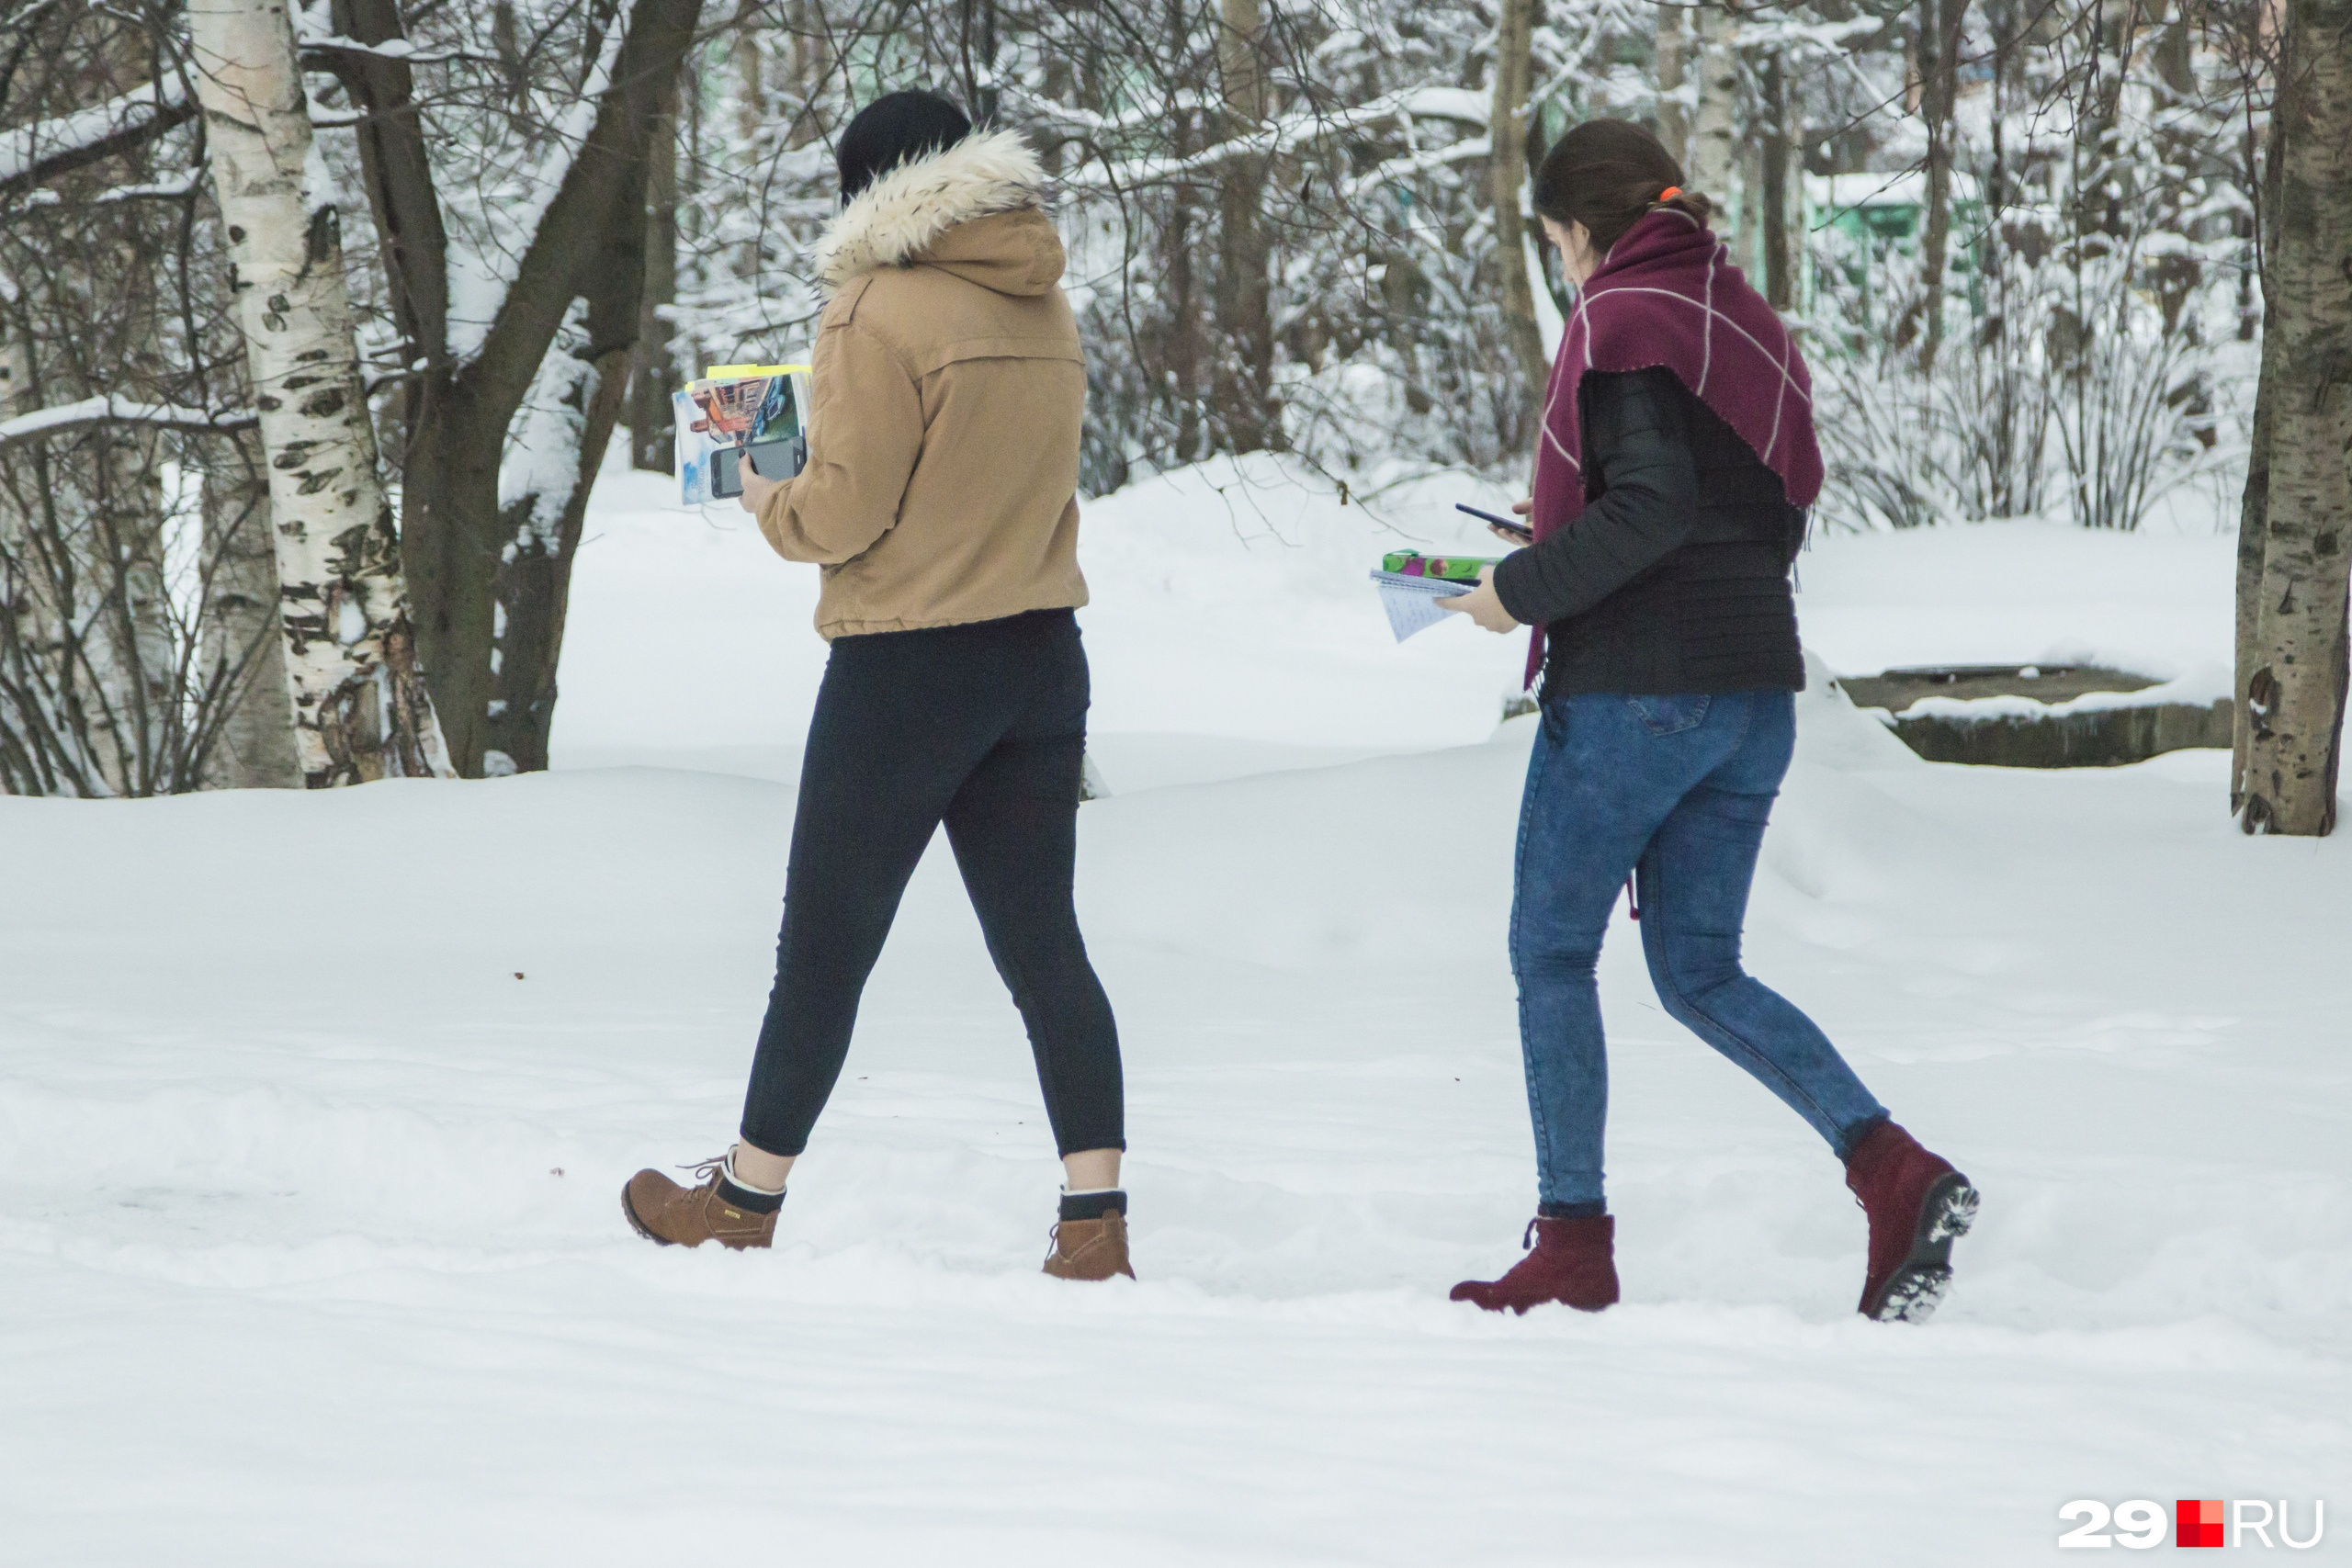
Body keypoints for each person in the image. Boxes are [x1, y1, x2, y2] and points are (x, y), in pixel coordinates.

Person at [1438, 119, 1976, 1322]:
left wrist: (1517, 589)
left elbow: (1650, 510)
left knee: (1549, 953)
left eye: (1555, 244)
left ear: (1582, 227)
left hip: (1641, 695)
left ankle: (1572, 1239)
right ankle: (1893, 1171)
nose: (1562, 269)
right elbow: (1755, 505)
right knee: (1697, 971)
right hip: (1751, 695)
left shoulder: (1623, 318)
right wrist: (1571, 530)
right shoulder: (1738, 316)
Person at [623, 92, 1134, 1282]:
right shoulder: (1042, 298)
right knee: (1044, 947)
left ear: (871, 189)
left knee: (825, 951)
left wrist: (763, 487)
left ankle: (743, 1203)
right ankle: (1095, 1221)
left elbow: (842, 511)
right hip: (1040, 656)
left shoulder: (872, 307)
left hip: (908, 664)